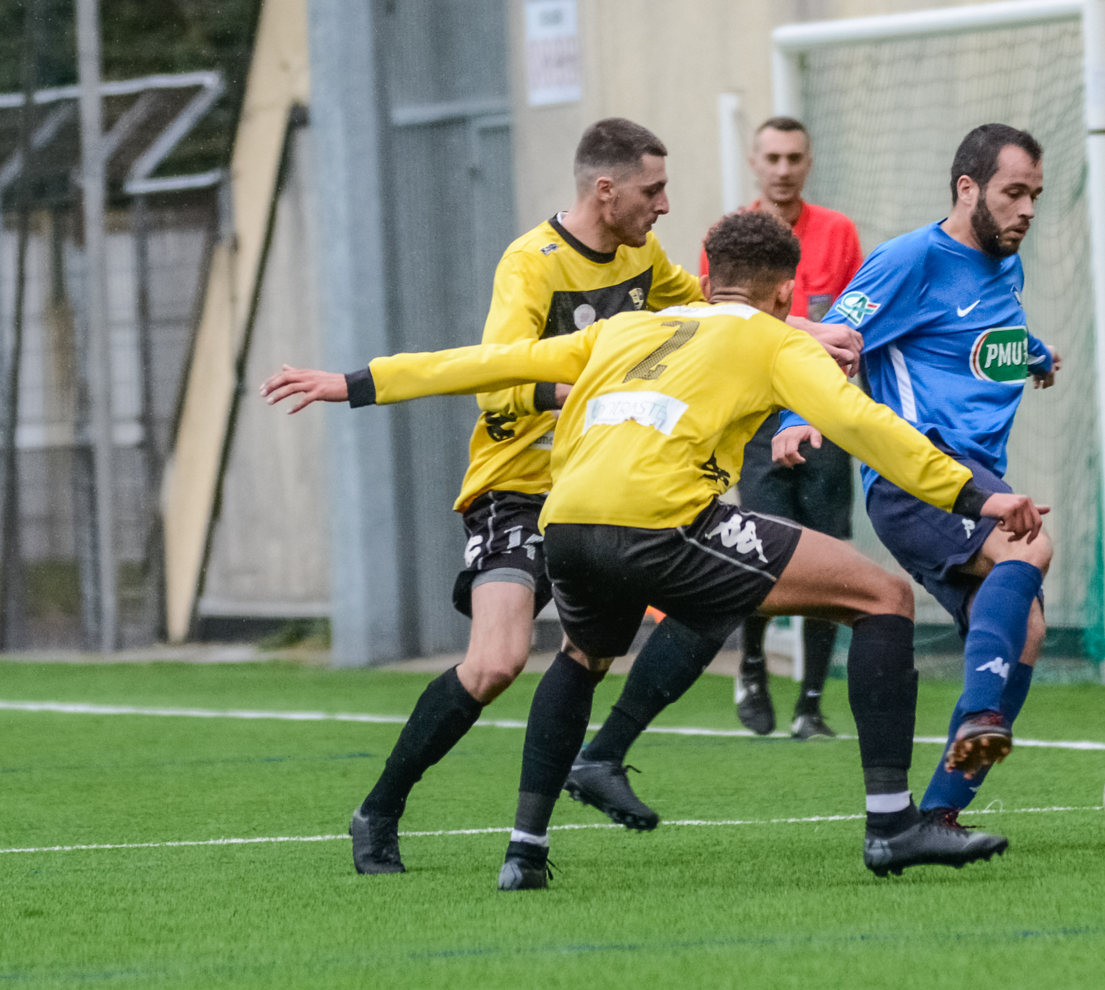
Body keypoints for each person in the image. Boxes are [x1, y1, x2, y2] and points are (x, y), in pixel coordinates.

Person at [262, 210, 1047, 889]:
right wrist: (975, 497)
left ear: (704, 282)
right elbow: (866, 425)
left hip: (567, 524)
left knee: (587, 654)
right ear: (786, 296)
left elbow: (484, 361)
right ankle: (892, 825)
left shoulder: (625, 330)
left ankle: (527, 848)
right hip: (660, 523)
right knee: (882, 596)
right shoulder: (778, 343)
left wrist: (355, 382)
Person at [337, 117, 861, 876]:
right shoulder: (530, 264)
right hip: (521, 484)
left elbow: (720, 317)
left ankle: (577, 786)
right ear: (607, 190)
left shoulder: (644, 255)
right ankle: (380, 809)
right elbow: (498, 382)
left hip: (613, 486)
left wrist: (803, 332)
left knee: (692, 606)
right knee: (496, 663)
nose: (666, 205)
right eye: (654, 190)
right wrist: (600, 385)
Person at [775, 124, 1061, 825]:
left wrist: (1036, 352)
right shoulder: (910, 260)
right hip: (918, 470)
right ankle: (982, 712)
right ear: (968, 189)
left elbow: (983, 329)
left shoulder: (1005, 264)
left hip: (970, 475)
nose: (1027, 209)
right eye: (1013, 192)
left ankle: (937, 817)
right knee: (1027, 544)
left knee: (1025, 629)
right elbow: (831, 341)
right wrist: (795, 418)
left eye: (1035, 195)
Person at [697, 116, 864, 741]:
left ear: (809, 162)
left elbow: (854, 321)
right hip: (756, 419)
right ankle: (753, 664)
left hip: (822, 414)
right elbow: (711, 327)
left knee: (829, 553)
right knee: (762, 547)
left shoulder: (838, 232)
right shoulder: (727, 237)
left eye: (794, 156)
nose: (784, 168)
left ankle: (811, 704)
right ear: (754, 163)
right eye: (773, 157)